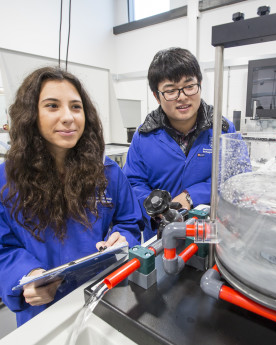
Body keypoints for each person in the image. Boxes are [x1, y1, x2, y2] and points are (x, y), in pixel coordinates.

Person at [0, 66, 144, 326]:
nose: (68, 117)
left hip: (102, 298)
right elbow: (2, 250)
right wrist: (26, 274)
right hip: (42, 312)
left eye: (76, 107)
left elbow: (130, 222)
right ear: (31, 115)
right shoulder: (6, 180)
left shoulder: (108, 172)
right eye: (52, 106)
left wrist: (123, 238)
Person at [123, 47, 251, 241]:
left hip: (211, 233)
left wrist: (192, 196)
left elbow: (238, 176)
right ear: (157, 96)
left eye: (189, 86)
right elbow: (133, 183)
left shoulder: (222, 129)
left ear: (199, 85)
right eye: (171, 90)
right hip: (163, 237)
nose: (182, 97)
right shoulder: (144, 136)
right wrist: (154, 206)